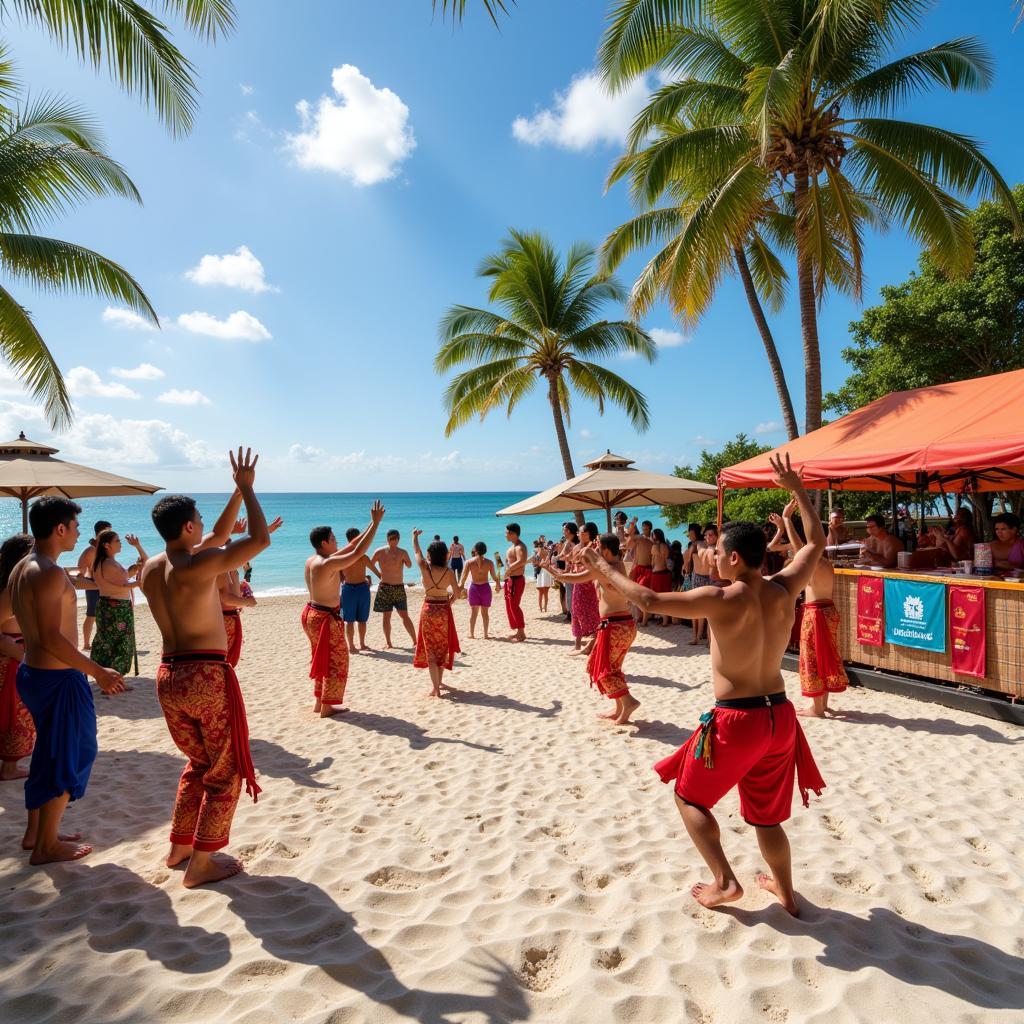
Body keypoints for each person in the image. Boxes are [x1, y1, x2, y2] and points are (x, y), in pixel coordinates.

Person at [583, 453, 826, 916]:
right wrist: (796, 488)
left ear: (734, 557)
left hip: (739, 720)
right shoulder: (785, 586)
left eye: (717, 551)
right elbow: (815, 542)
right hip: (781, 717)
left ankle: (725, 882)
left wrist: (603, 568)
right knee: (767, 817)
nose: (711, 554)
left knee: (688, 795)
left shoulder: (719, 598)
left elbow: (650, 599)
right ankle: (787, 894)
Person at [141, 451, 272, 887]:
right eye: (198, 518)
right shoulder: (198, 567)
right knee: (224, 771)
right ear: (187, 527)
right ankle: (201, 863)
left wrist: (236, 490)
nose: (204, 524)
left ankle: (179, 847)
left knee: (197, 764)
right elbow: (257, 540)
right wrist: (251, 489)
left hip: (167, 676)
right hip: (204, 676)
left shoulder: (150, 569)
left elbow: (218, 534)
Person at [11, 497, 126, 865]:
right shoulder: (46, 571)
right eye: (75, 527)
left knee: (49, 753)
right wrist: (97, 670)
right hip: (56, 676)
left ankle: (37, 834)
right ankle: (46, 846)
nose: (79, 533)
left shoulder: (23, 567)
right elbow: (49, 636)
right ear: (60, 529)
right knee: (71, 754)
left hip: (35, 672)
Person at [303, 507, 385, 715]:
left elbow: (352, 545)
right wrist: (376, 525)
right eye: (333, 538)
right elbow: (357, 552)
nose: (337, 541)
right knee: (335, 660)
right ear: (324, 543)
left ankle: (318, 702)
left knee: (320, 658)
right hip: (323, 617)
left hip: (311, 614)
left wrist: (371, 522)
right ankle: (327, 706)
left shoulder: (312, 560)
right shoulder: (328, 563)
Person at [552, 533, 640, 725]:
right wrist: (555, 572)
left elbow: (576, 577)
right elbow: (576, 576)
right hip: (623, 625)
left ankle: (629, 702)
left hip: (615, 626)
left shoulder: (607, 570)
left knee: (600, 668)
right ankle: (618, 708)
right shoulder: (615, 567)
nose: (597, 551)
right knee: (612, 668)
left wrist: (556, 572)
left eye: (599, 547)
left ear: (606, 551)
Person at [777, 501, 849, 718]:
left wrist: (788, 520)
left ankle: (817, 708)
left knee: (813, 659)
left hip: (816, 613)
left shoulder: (816, 564)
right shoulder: (827, 564)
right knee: (825, 657)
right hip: (828, 611)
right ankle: (822, 705)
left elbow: (801, 550)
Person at [0, 533, 34, 784]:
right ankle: (9, 769)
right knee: (15, 714)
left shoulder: (16, 585)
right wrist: (10, 647)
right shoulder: (10, 590)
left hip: (17, 654)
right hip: (11, 658)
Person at [90, 530, 147, 676]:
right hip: (116, 607)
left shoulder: (103, 562)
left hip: (108, 605)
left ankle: (107, 675)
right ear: (107, 545)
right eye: (117, 541)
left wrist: (137, 547)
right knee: (121, 643)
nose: (120, 543)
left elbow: (122, 579)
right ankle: (114, 677)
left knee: (107, 642)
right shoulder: (108, 563)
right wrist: (136, 583)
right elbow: (123, 584)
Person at [412, 531, 460, 697]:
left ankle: (436, 689)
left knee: (430, 651)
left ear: (431, 555)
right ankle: (438, 684)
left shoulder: (425, 568)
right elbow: (457, 593)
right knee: (441, 649)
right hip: (443, 610)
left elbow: (416, 552)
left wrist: (414, 537)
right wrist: (450, 602)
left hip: (428, 609)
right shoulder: (449, 572)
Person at [370, 530, 417, 648]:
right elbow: (369, 564)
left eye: (395, 538)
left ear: (399, 539)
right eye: (391, 538)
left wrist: (404, 559)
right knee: (386, 616)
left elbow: (410, 565)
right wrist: (378, 574)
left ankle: (415, 641)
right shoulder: (379, 552)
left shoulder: (403, 552)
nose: (393, 541)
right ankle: (388, 642)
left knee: (404, 615)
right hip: (385, 587)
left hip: (399, 587)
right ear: (387, 539)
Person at [340, 526, 380, 653]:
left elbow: (377, 574)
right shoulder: (356, 556)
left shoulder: (349, 556)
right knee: (350, 620)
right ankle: (352, 645)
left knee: (361, 619)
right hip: (352, 589)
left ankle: (361, 644)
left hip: (358, 588)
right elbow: (379, 574)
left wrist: (367, 577)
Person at [75, 519, 110, 649]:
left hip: (104, 585)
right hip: (93, 585)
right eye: (108, 531)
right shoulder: (91, 550)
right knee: (91, 615)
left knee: (103, 615)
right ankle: (86, 643)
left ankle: (101, 642)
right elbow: (80, 564)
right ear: (100, 533)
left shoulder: (104, 549)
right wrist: (82, 574)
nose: (110, 534)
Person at [569, 522, 601, 654]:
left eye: (583, 533)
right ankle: (577, 643)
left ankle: (594, 641)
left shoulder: (595, 548)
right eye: (579, 533)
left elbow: (597, 565)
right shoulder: (576, 547)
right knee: (576, 611)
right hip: (578, 582)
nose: (579, 535)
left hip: (591, 583)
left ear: (590, 534)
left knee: (593, 611)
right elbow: (573, 564)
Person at [459, 541, 500, 639]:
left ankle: (472, 634)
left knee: (474, 612)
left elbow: (463, 577)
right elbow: (494, 577)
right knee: (485, 613)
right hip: (485, 588)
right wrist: (498, 585)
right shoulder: (489, 562)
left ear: (475, 550)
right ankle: (485, 634)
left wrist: (460, 587)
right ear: (485, 550)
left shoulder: (469, 562)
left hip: (474, 588)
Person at [689, 526, 717, 645]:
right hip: (698, 576)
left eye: (710, 535)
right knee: (695, 608)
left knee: (708, 611)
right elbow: (695, 557)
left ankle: (706, 639)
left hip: (711, 578)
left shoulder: (718, 547)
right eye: (706, 535)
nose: (707, 537)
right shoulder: (698, 544)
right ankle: (696, 636)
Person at [624, 518, 654, 625]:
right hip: (638, 567)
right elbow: (629, 540)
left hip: (648, 569)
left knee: (642, 594)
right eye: (643, 527)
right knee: (632, 592)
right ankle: (636, 616)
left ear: (650, 528)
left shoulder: (653, 540)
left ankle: (644, 618)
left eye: (646, 527)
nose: (645, 529)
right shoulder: (640, 538)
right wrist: (632, 524)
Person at [503, 522, 528, 642]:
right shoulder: (512, 546)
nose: (505, 535)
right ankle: (518, 630)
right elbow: (510, 562)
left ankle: (521, 633)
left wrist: (509, 569)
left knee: (514, 605)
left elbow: (521, 561)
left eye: (507, 533)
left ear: (513, 534)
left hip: (517, 579)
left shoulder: (520, 547)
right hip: (510, 579)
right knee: (510, 605)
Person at [649, 528, 673, 626]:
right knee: (666, 597)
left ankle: (663, 620)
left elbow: (653, 562)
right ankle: (666, 619)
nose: (652, 537)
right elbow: (667, 559)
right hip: (666, 574)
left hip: (657, 574)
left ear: (655, 536)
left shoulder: (654, 547)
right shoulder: (666, 546)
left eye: (653, 535)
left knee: (657, 598)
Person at [557, 522, 578, 623]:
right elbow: (561, 556)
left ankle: (574, 617)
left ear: (568, 531)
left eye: (564, 529)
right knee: (570, 596)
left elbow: (562, 556)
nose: (563, 531)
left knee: (572, 597)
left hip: (574, 573)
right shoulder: (568, 543)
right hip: (570, 572)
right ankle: (572, 616)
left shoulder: (573, 544)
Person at [535, 542, 553, 612]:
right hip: (545, 572)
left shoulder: (538, 554)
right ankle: (545, 608)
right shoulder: (547, 552)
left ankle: (541, 608)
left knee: (541, 593)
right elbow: (548, 562)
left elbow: (536, 564)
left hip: (541, 572)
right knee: (545, 592)